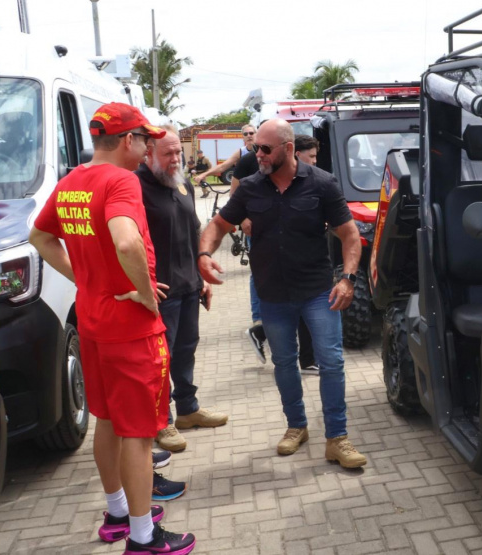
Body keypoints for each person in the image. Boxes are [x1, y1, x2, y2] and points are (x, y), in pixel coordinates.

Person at [28, 102, 195, 554]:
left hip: (95, 322)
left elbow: (40, 237)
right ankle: (144, 538)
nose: (147, 149)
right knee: (138, 435)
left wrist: (84, 279)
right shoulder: (121, 182)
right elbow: (126, 240)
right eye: (144, 140)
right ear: (127, 141)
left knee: (107, 421)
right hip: (131, 328)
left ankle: (118, 512)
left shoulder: (72, 182)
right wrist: (142, 291)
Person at [198, 119, 367, 468]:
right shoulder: (249, 188)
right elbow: (218, 225)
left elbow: (349, 234)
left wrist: (348, 279)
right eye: (254, 147)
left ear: (288, 150)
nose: (256, 153)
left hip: (319, 291)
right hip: (273, 294)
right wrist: (203, 256)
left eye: (264, 148)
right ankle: (296, 426)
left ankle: (337, 438)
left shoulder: (322, 183)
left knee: (331, 362)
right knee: (284, 363)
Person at [136, 125, 229, 454]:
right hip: (160, 292)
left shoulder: (182, 181)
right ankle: (162, 422)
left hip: (189, 285)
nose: (176, 159)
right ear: (148, 153)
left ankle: (188, 410)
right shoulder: (136, 186)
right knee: (161, 360)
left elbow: (193, 231)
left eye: (179, 152)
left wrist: (201, 275)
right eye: (168, 154)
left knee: (186, 350)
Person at [243, 134, 318, 373]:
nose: (260, 154)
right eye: (312, 156)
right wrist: (243, 218)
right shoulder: (251, 169)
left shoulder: (314, 180)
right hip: (275, 257)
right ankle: (263, 330)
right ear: (294, 152)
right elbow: (236, 193)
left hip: (303, 262)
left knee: (301, 307)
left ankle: (306, 358)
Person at [192, 124, 256, 197]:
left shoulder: (262, 149)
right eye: (245, 134)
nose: (248, 135)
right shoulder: (241, 151)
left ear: (256, 134)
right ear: (243, 137)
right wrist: (203, 174)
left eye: (251, 133)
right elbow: (222, 166)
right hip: (247, 190)